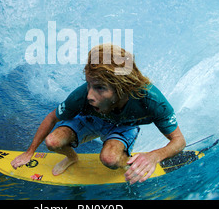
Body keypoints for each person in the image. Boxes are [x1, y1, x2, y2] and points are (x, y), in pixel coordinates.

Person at [11, 43, 186, 184]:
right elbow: (51, 118)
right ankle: (72, 157)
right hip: (91, 120)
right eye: (89, 85)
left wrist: (154, 156)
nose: (89, 95)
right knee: (52, 142)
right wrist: (29, 152)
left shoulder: (151, 100)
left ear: (122, 88)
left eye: (100, 88)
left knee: (110, 159)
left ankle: (129, 164)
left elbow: (179, 141)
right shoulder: (82, 97)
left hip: (124, 126)